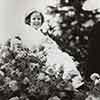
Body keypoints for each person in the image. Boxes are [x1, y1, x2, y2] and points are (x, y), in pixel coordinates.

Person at [24, 10, 83, 89]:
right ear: (29, 21)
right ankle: (68, 80)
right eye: (34, 19)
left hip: (51, 54)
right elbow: (31, 47)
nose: (36, 21)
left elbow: (54, 46)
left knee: (65, 57)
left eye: (39, 19)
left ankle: (74, 81)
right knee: (61, 60)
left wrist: (53, 48)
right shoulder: (28, 33)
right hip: (40, 56)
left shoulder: (42, 34)